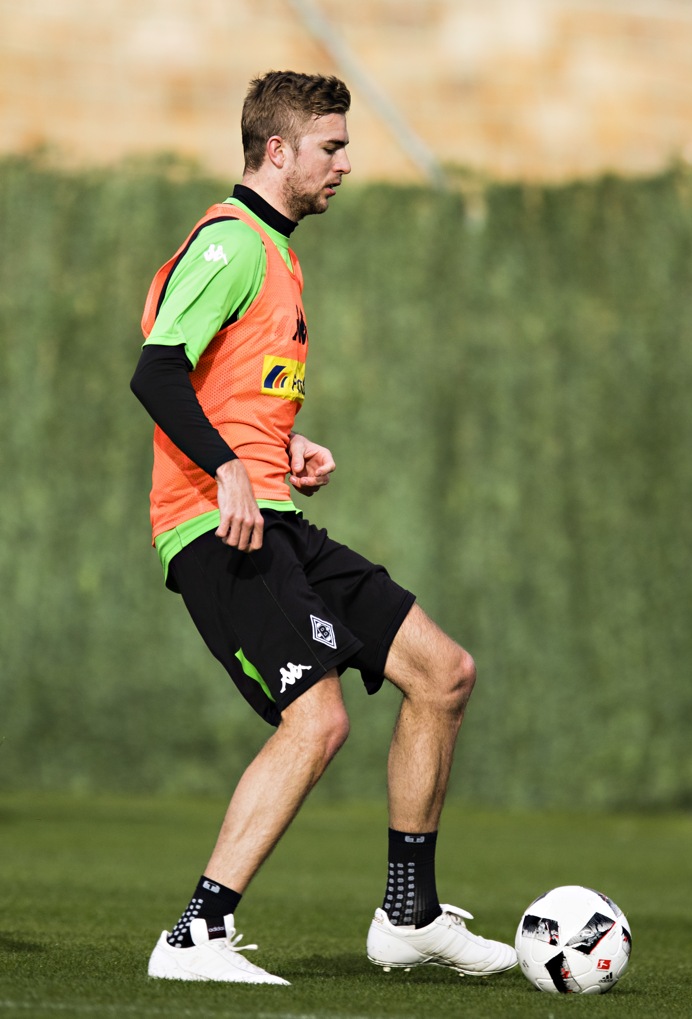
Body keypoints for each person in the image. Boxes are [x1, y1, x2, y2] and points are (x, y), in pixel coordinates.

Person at [130, 69, 516, 985]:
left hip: (275, 513)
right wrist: (227, 466)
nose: (345, 163)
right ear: (278, 151)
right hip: (216, 527)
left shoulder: (276, 248)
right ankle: (195, 933)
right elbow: (156, 371)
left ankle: (410, 915)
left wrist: (281, 442)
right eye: (331, 147)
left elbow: (222, 384)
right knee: (319, 718)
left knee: (443, 673)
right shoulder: (231, 244)